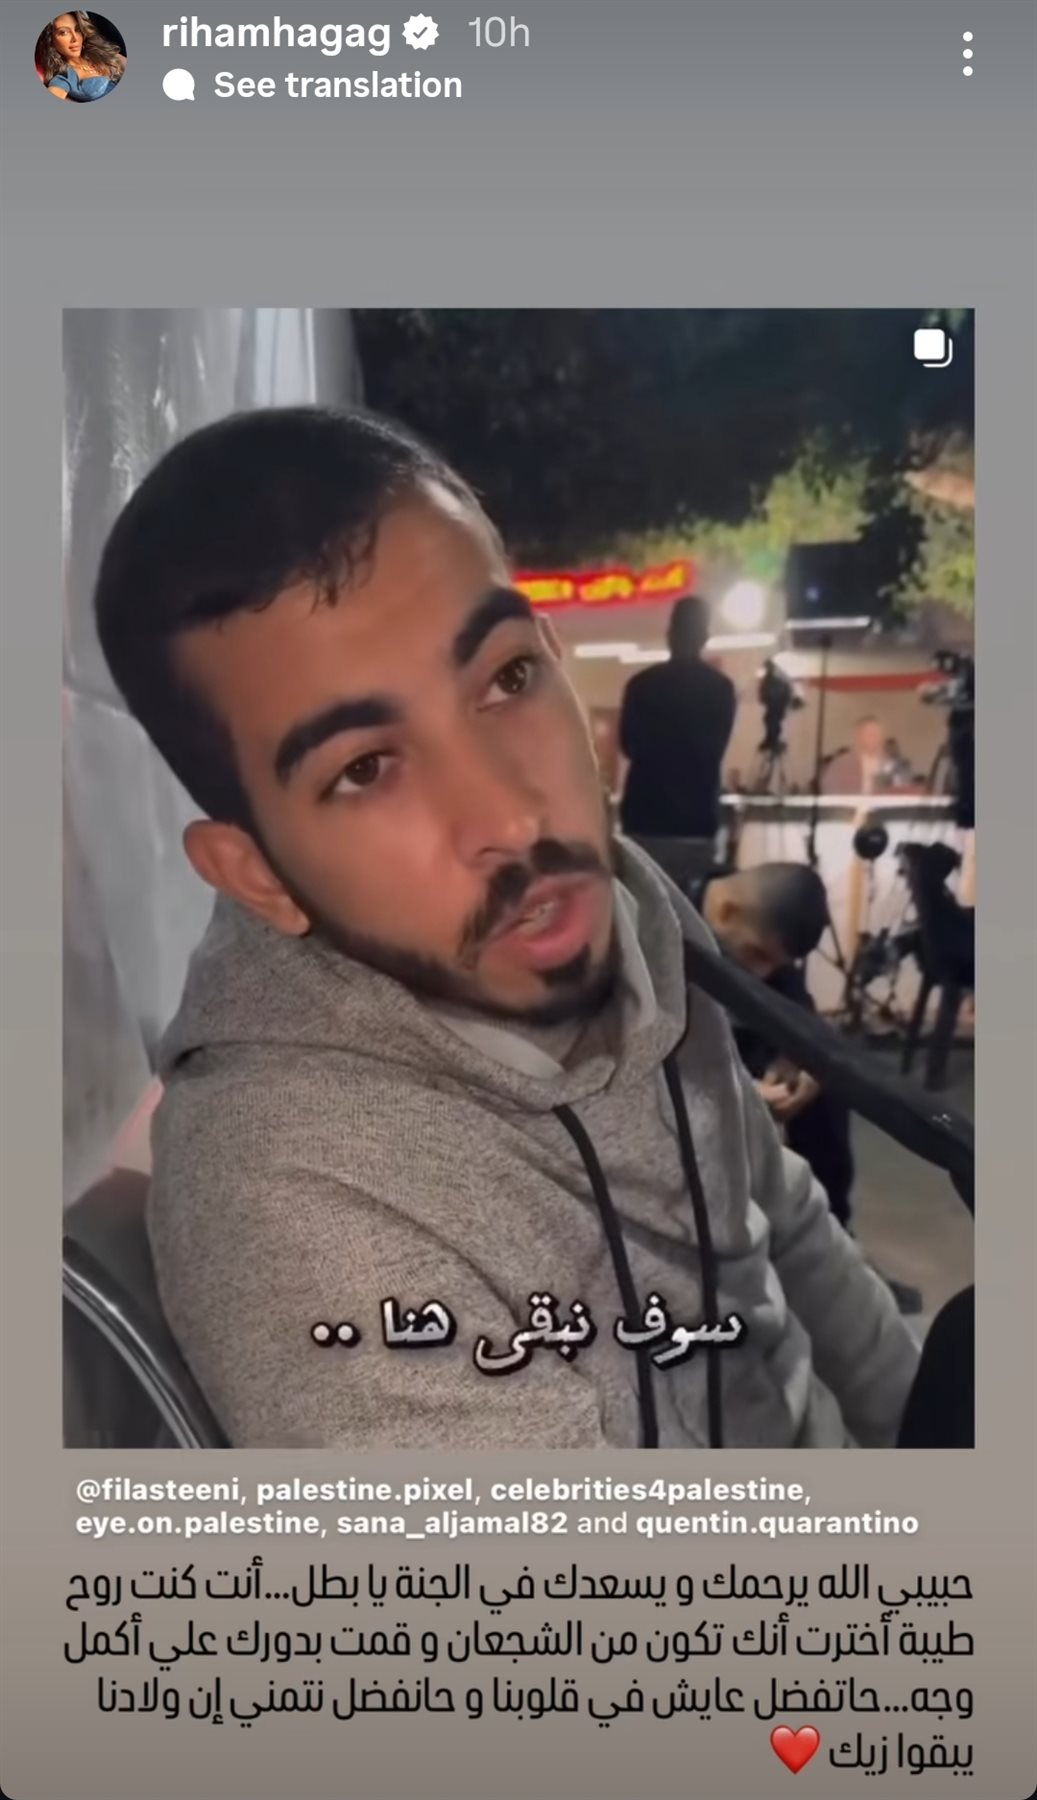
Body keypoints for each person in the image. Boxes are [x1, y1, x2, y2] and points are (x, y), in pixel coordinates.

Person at [92, 405, 919, 1451]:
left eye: (507, 679)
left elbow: (775, 1217)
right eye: (364, 768)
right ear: (256, 875)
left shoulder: (631, 906)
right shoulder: (297, 1194)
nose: (517, 820)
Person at [695, 860, 923, 1312]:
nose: (762, 974)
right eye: (757, 955)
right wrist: (739, 1089)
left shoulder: (753, 925)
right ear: (725, 912)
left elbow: (799, 1013)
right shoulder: (653, 916)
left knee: (830, 1081)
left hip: (738, 1046)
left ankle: (836, 1247)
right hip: (671, 1057)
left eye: (775, 964)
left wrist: (803, 1064)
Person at [618, 595, 737, 855]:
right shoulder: (721, 689)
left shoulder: (640, 685)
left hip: (644, 817)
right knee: (691, 882)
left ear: (670, 635)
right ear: (704, 638)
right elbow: (716, 748)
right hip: (696, 818)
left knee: (642, 881)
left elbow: (627, 745)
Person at [37, 12, 125, 102]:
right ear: (51, 41)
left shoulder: (100, 52)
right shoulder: (64, 78)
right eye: (64, 32)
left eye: (77, 29)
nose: (75, 38)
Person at [822, 715, 887, 796]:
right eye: (870, 734)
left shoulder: (889, 765)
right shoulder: (841, 764)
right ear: (859, 736)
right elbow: (830, 791)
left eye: (877, 734)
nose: (875, 738)